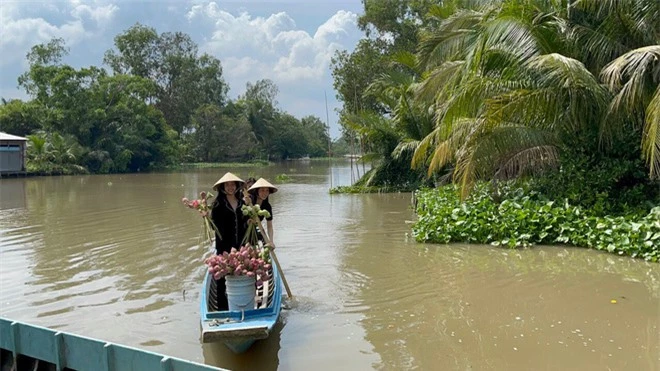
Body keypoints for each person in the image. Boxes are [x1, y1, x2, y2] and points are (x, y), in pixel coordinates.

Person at [210, 172, 248, 310]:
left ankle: (242, 303)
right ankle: (222, 308)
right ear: (223, 187)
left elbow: (245, 222)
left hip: (240, 245)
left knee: (241, 273)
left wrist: (250, 220)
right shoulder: (218, 204)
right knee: (222, 276)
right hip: (224, 246)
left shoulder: (242, 203)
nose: (231, 187)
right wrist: (205, 216)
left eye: (233, 184)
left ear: (237, 186)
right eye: (228, 185)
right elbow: (212, 225)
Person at [248, 178, 277, 248]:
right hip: (245, 229)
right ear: (257, 191)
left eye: (267, 190)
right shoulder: (249, 201)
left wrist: (271, 241)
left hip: (257, 228)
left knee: (267, 245)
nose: (265, 193)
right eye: (262, 190)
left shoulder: (267, 206)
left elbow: (269, 226)